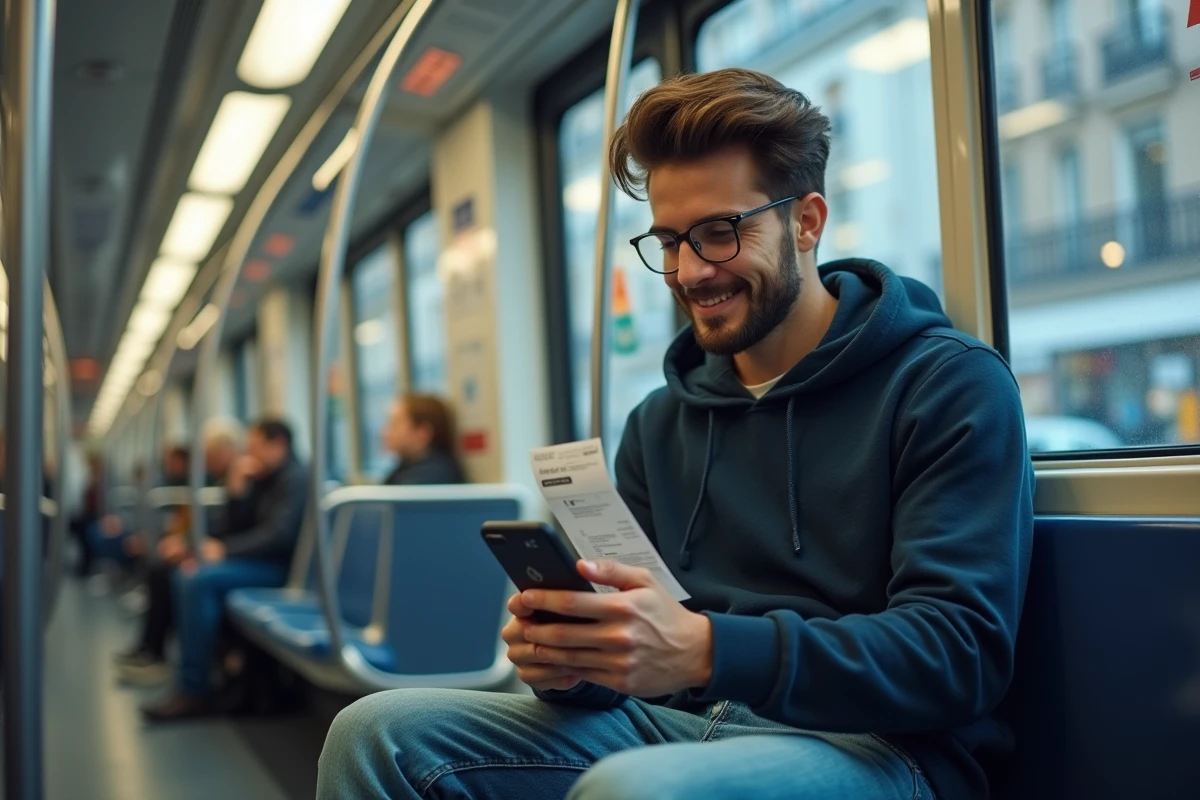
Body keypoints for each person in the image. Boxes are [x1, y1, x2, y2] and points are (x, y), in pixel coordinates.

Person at [316, 68, 1033, 799]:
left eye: (720, 233)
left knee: (639, 789)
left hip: (875, 746)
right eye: (669, 241)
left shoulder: (944, 384)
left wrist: (710, 650)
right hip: (677, 724)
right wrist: (572, 661)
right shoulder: (660, 422)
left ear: (807, 222)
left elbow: (959, 655)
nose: (689, 272)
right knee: (376, 733)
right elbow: (634, 661)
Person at [140, 418, 308, 719]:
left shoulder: (297, 478)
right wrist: (236, 492)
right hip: (259, 562)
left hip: (283, 570)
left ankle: (194, 689)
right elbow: (236, 527)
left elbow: (280, 537)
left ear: (278, 444)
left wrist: (225, 551)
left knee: (196, 580)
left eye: (254, 447)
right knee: (187, 573)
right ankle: (205, 675)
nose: (249, 454)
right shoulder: (264, 478)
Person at [115, 420, 245, 685]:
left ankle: (188, 675)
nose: (207, 461)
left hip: (234, 554)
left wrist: (195, 548)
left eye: (211, 454)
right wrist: (188, 544)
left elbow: (236, 528)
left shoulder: (242, 479)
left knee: (181, 577)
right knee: (160, 569)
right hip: (221, 549)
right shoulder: (220, 479)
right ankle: (153, 650)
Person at [381, 394, 465, 485]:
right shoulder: (407, 466)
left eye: (394, 424)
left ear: (422, 433)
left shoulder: (432, 476)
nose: (385, 432)